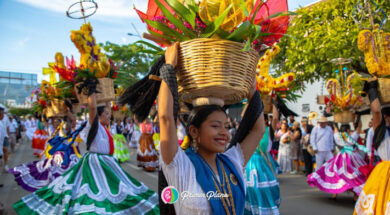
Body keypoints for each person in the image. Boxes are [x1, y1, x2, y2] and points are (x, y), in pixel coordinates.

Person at [13, 84, 159, 214]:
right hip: (96, 163)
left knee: (119, 190)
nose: (110, 116)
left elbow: (103, 108)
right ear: (99, 116)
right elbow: (93, 108)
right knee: (98, 193)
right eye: (107, 114)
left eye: (109, 114)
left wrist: (107, 95)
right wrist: (91, 92)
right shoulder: (92, 126)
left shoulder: (104, 127)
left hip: (107, 163)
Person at [158, 43, 265, 214]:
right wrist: (169, 67)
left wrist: (252, 91)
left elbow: (258, 130)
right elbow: (165, 119)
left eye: (226, 126)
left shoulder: (232, 161)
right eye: (215, 126)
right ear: (194, 131)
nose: (224, 132)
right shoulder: (180, 165)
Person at [354, 79, 390, 214]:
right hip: (386, 174)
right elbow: (376, 111)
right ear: (386, 117)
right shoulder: (382, 131)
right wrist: (372, 90)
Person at [307, 121, 367, 201]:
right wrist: (359, 121)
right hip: (352, 157)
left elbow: (335, 130)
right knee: (353, 175)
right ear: (348, 130)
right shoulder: (351, 137)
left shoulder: (338, 137)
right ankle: (355, 196)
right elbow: (358, 129)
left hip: (341, 156)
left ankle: (334, 194)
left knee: (336, 173)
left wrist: (335, 125)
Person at [245, 110, 280, 214]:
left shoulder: (269, 130)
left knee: (266, 187)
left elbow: (275, 118)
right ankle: (253, 209)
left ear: (265, 120)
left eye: (260, 119)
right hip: (251, 162)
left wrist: (274, 99)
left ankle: (267, 209)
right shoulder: (251, 130)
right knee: (252, 187)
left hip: (264, 161)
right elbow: (244, 116)